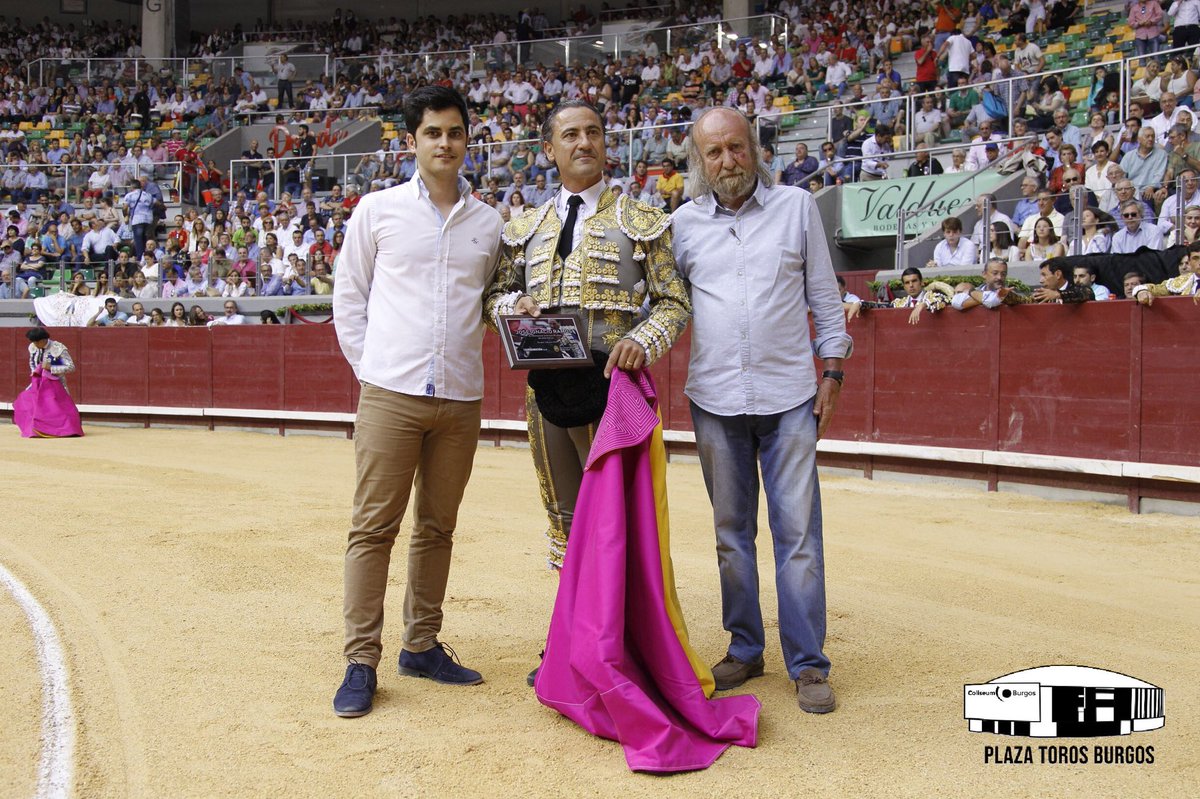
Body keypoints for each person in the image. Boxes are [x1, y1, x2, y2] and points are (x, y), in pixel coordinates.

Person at [483, 99, 690, 681]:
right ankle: (570, 640)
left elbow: (674, 302)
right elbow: (491, 299)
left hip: (612, 391)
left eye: (593, 132)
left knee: (618, 521)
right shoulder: (523, 229)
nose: (584, 142)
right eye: (570, 134)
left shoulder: (642, 220)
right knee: (565, 517)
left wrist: (642, 340)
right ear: (549, 150)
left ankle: (619, 644)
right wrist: (512, 305)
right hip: (546, 393)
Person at [330, 86, 504, 719]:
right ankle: (360, 660)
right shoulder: (377, 211)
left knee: (437, 526)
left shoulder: (489, 224)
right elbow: (349, 297)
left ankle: (422, 645)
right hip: (390, 394)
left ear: (467, 139)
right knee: (373, 528)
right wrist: (373, 373)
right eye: (433, 132)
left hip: (459, 397)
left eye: (455, 132)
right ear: (412, 141)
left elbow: (495, 302)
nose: (445, 143)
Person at [671, 107, 851, 714]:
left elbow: (824, 296)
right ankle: (745, 648)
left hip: (790, 396)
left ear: (755, 148)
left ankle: (808, 662)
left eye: (736, 147)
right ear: (700, 162)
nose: (728, 161)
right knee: (731, 534)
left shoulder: (796, 208)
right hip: (715, 398)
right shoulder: (682, 225)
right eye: (714, 152)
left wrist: (833, 371)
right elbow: (665, 305)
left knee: (798, 535)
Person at [16, 327, 82, 438]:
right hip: (38, 382)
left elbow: (71, 367)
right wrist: (35, 374)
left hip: (56, 383)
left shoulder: (57, 348)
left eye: (36, 342)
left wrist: (51, 367)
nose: (34, 344)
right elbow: (32, 362)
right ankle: (36, 429)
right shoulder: (33, 347)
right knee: (28, 402)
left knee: (58, 408)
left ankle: (62, 430)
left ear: (43, 340)